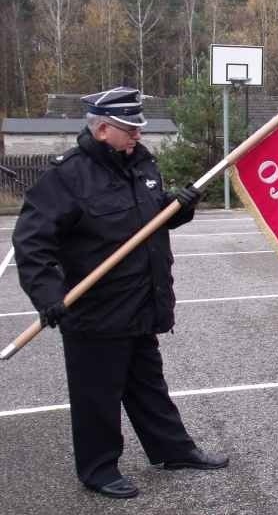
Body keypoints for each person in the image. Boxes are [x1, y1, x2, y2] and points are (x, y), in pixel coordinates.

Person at [12, 87, 228, 499]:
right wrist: (47, 295)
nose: (137, 136)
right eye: (129, 129)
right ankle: (98, 469)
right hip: (95, 310)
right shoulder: (67, 176)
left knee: (148, 385)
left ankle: (172, 450)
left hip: (139, 302)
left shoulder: (141, 164)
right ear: (102, 129)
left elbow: (151, 220)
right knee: (97, 395)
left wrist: (178, 207)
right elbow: (32, 242)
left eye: (138, 128)